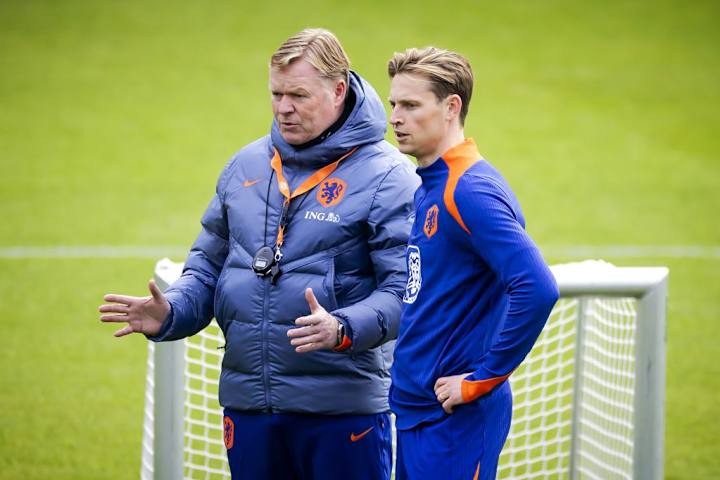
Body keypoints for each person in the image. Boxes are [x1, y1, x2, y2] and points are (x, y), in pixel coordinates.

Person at [99, 28, 418, 480]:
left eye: (298, 95)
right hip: (250, 405)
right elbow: (208, 266)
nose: (283, 107)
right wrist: (172, 311)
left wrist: (343, 327)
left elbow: (405, 293)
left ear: (338, 90)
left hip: (341, 413)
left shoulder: (388, 177)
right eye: (276, 93)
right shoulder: (245, 166)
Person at [386, 47, 559, 480]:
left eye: (410, 105)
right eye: (393, 104)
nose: (395, 118)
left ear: (451, 107)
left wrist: (481, 379)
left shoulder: (469, 190)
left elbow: (537, 287)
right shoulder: (430, 184)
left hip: (454, 422)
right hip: (418, 413)